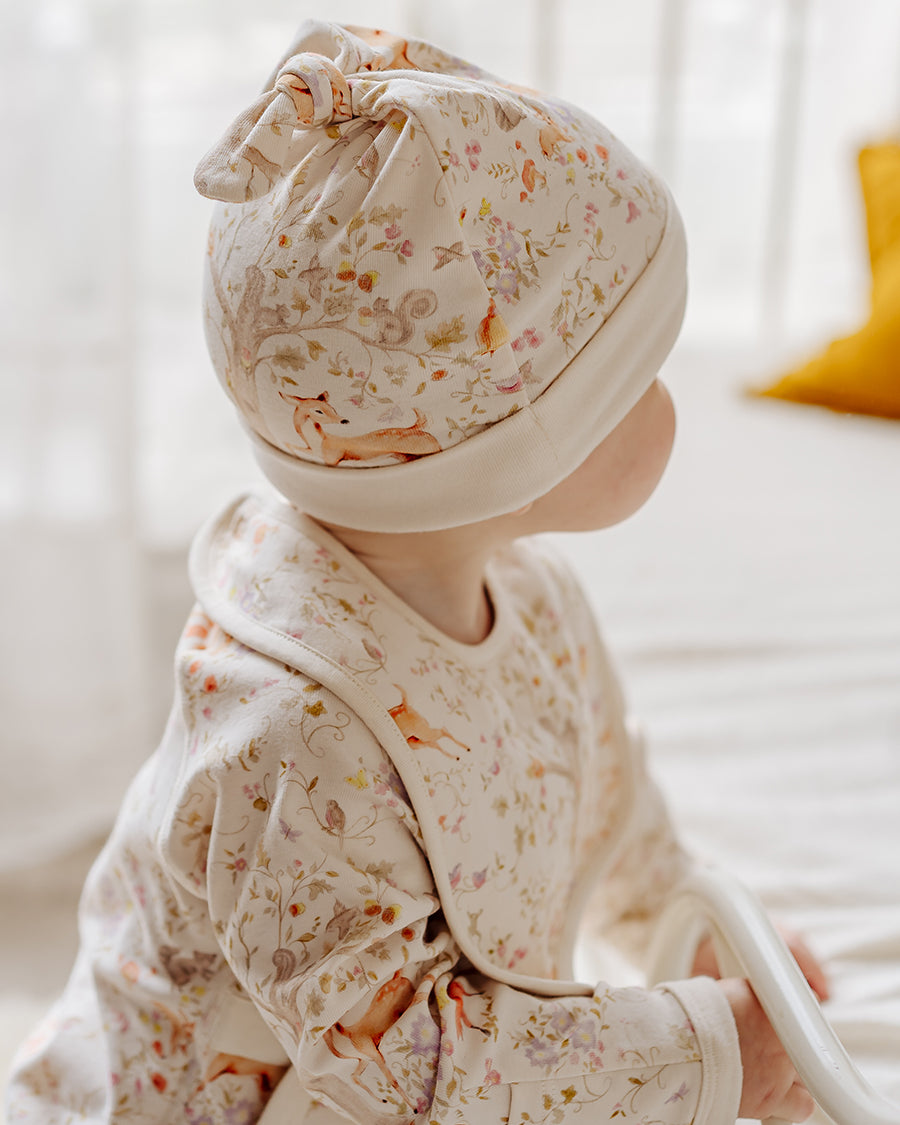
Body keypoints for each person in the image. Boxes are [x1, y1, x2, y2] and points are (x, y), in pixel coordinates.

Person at [6, 19, 828, 1125]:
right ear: (500, 463)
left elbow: (600, 801)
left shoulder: (530, 598)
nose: (672, 399)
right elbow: (404, 1063)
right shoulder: (292, 736)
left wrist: (700, 938)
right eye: (637, 372)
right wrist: (703, 1054)